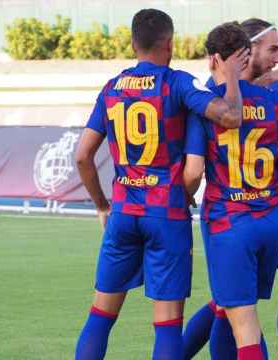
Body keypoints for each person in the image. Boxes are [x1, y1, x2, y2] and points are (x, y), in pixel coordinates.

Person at [73, 8, 248, 360]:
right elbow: (230, 116)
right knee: (167, 324)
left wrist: (101, 205)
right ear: (169, 43)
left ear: (133, 43)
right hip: (166, 213)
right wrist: (230, 75)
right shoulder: (178, 83)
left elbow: (82, 156)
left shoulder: (112, 88)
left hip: (123, 213)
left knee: (101, 315)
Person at [183, 22, 278, 360]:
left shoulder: (206, 105)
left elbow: (193, 172)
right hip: (272, 223)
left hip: (230, 223)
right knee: (230, 310)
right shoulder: (276, 103)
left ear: (213, 59)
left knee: (243, 323)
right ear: (247, 55)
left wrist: (185, 196)